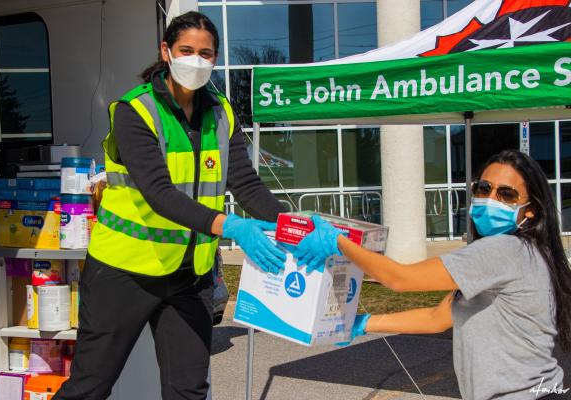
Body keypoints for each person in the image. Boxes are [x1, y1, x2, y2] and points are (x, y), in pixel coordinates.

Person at [54, 11, 286, 400]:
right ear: (166, 51)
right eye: (186, 50)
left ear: (216, 58)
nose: (196, 60)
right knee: (90, 386)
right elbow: (158, 192)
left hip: (188, 276)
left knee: (189, 391)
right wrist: (231, 226)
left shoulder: (221, 113)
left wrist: (290, 223)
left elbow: (245, 181)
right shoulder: (135, 111)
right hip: (124, 272)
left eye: (206, 53)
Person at [293, 150, 571, 400]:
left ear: (531, 210)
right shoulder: (529, 252)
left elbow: (400, 279)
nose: (490, 199)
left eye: (506, 194)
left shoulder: (503, 250)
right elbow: (436, 319)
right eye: (484, 188)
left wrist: (338, 241)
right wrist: (363, 323)